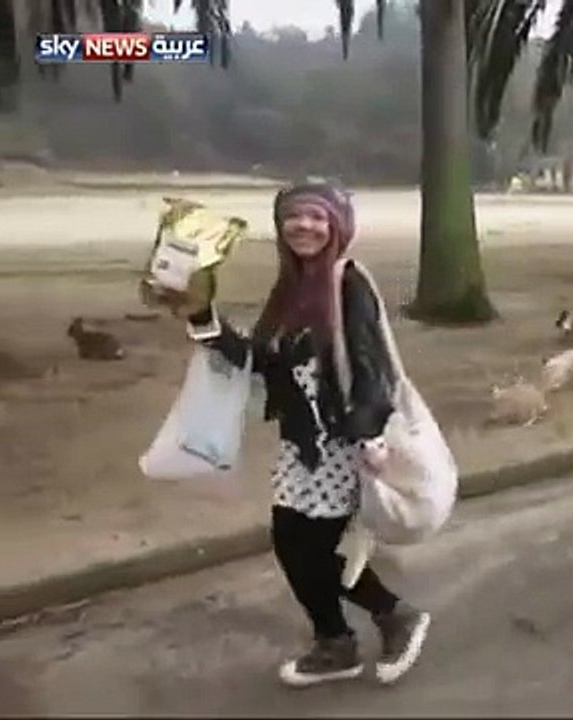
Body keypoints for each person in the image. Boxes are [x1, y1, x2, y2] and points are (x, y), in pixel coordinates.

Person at [162, 182, 429, 688]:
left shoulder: (348, 283)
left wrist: (369, 436)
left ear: (337, 226)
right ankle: (339, 639)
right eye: (293, 217)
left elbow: (370, 366)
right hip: (302, 442)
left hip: (346, 443)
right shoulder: (290, 288)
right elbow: (261, 361)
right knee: (291, 543)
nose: (304, 226)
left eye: (317, 217)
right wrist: (201, 315)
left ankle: (387, 617)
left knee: (318, 550)